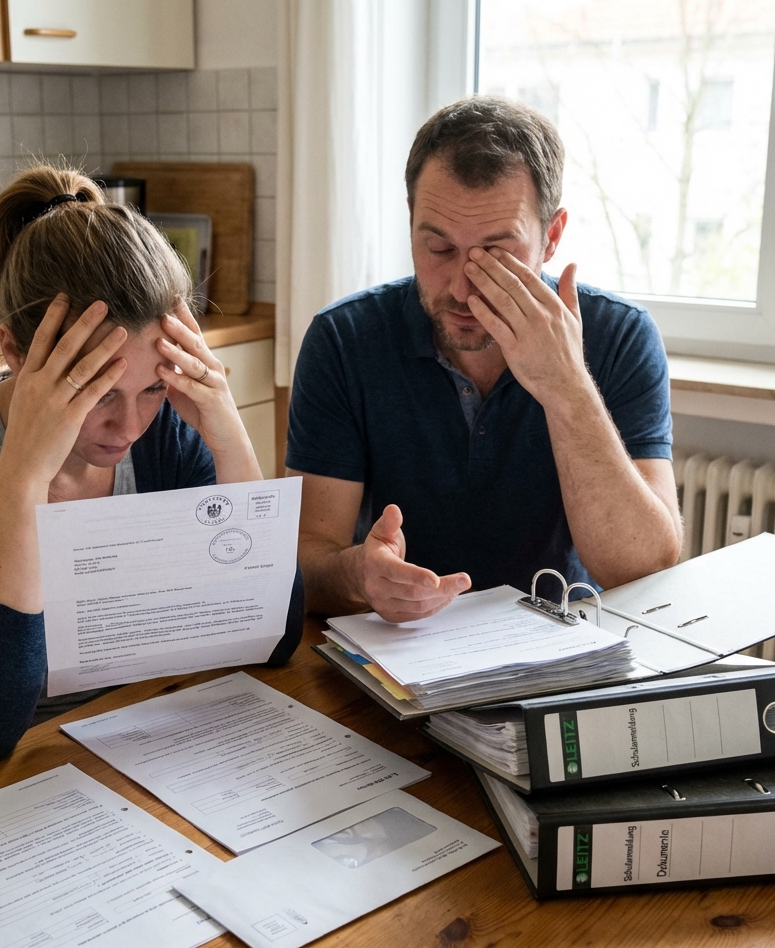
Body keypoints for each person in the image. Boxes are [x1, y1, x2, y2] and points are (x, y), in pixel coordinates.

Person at [0, 165, 303, 802]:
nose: (129, 426)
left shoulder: (168, 432)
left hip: (121, 751)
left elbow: (274, 638)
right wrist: (24, 474)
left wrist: (225, 431)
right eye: (97, 393)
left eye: (153, 388)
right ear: (15, 353)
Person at [286, 96, 682, 623]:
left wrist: (566, 384)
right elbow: (306, 564)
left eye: (496, 254)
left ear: (552, 237)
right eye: (439, 248)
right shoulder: (344, 339)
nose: (462, 287)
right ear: (410, 223)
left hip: (563, 649)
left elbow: (643, 570)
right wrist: (361, 575)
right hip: (397, 654)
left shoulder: (621, 336)